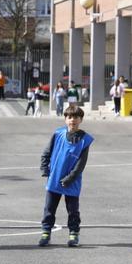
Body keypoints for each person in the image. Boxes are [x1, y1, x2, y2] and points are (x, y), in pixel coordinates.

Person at [38, 105, 92, 248]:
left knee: (73, 210)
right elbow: (46, 152)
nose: (72, 120)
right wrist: (44, 168)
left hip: (72, 181)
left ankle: (74, 234)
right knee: (49, 208)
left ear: (81, 119)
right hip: (55, 178)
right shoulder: (58, 134)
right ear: (65, 119)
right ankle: (46, 232)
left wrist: (70, 178)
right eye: (69, 117)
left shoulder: (84, 140)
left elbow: (81, 164)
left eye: (75, 117)